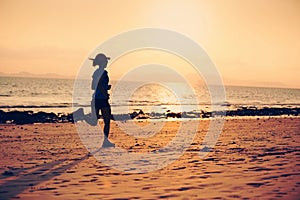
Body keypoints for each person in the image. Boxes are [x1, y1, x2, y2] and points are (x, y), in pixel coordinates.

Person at [73, 53, 115, 148]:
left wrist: (105, 87)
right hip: (102, 100)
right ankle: (105, 141)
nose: (107, 62)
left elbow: (93, 87)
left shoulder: (95, 73)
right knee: (107, 121)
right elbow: (100, 85)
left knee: (94, 121)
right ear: (103, 62)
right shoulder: (104, 73)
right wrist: (105, 92)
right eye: (106, 61)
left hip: (95, 99)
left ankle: (82, 115)